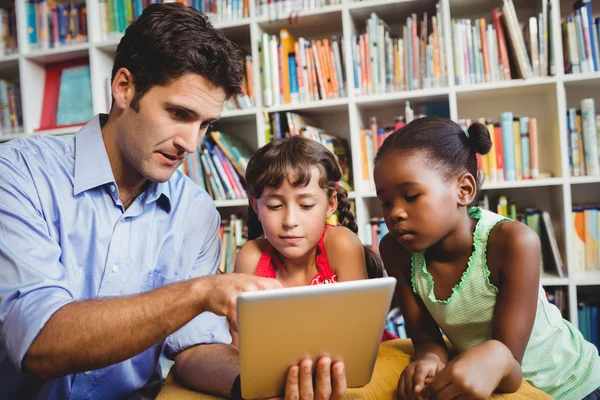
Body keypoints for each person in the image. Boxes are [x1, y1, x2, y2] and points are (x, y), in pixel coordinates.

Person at [0, 4, 344, 399]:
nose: (191, 144)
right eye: (179, 113)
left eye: (205, 124)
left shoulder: (195, 210)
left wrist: (266, 381)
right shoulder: (18, 173)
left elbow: (195, 349)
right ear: (124, 88)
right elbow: (40, 345)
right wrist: (200, 293)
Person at [373, 117, 600, 400]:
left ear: (464, 190)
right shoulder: (396, 250)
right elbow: (426, 338)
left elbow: (508, 363)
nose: (395, 213)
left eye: (410, 196)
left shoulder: (513, 242)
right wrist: (430, 358)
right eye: (385, 202)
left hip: (573, 385)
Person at [233, 136, 395, 345]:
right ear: (255, 206)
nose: (290, 221)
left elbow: (360, 335)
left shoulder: (341, 244)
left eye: (306, 205)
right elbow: (239, 345)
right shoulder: (250, 257)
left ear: (330, 203)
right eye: (274, 206)